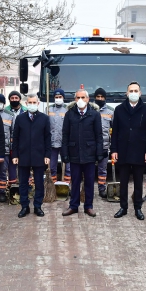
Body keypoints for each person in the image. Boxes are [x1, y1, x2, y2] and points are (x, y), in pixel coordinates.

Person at [110, 82, 146, 220]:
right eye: (131, 90)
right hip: (123, 151)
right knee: (123, 181)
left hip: (140, 151)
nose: (134, 93)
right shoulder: (119, 109)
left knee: (138, 182)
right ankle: (123, 207)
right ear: (127, 93)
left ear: (140, 93)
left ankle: (138, 208)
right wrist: (114, 150)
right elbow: (115, 132)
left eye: (136, 90)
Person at [61, 88, 104, 217]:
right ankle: (73, 206)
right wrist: (65, 153)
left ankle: (88, 206)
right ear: (75, 100)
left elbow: (99, 135)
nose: (80, 100)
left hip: (89, 154)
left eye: (83, 98)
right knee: (75, 181)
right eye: (78, 98)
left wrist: (99, 153)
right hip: (74, 153)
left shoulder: (94, 114)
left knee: (90, 182)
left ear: (88, 99)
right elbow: (65, 135)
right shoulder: (69, 114)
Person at [12, 93, 52, 217]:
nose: (32, 105)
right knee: (23, 183)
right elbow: (16, 138)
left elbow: (47, 138)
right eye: (30, 102)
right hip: (23, 155)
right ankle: (24, 207)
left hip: (39, 155)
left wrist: (47, 155)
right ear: (26, 103)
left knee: (39, 182)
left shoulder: (44, 118)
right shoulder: (20, 118)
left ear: (38, 104)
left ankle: (37, 206)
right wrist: (15, 155)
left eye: (34, 102)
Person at [0, 93, 16, 202]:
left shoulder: (10, 115)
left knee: (2, 171)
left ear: (4, 103)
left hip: (5, 149)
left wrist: (11, 148)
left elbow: (13, 133)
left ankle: (1, 192)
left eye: (0, 102)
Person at [94, 88, 114, 197]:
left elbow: (115, 129)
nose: (100, 99)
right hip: (91, 146)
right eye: (98, 97)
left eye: (102, 97)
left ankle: (102, 189)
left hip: (104, 146)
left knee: (102, 169)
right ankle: (88, 189)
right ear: (95, 98)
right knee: (89, 169)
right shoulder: (90, 110)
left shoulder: (110, 112)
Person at [4, 90, 26, 193]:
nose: (14, 100)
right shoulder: (5, 112)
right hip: (10, 144)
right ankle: (12, 189)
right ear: (9, 99)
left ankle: (26, 187)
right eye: (12, 98)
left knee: (24, 165)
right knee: (11, 166)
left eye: (16, 98)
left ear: (20, 99)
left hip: (24, 144)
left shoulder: (25, 111)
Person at [47, 88, 70, 184]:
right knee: (52, 166)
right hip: (52, 142)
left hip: (65, 142)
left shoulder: (68, 109)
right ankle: (53, 186)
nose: (58, 98)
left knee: (68, 166)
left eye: (60, 97)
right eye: (56, 97)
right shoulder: (48, 109)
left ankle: (67, 185)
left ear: (63, 97)